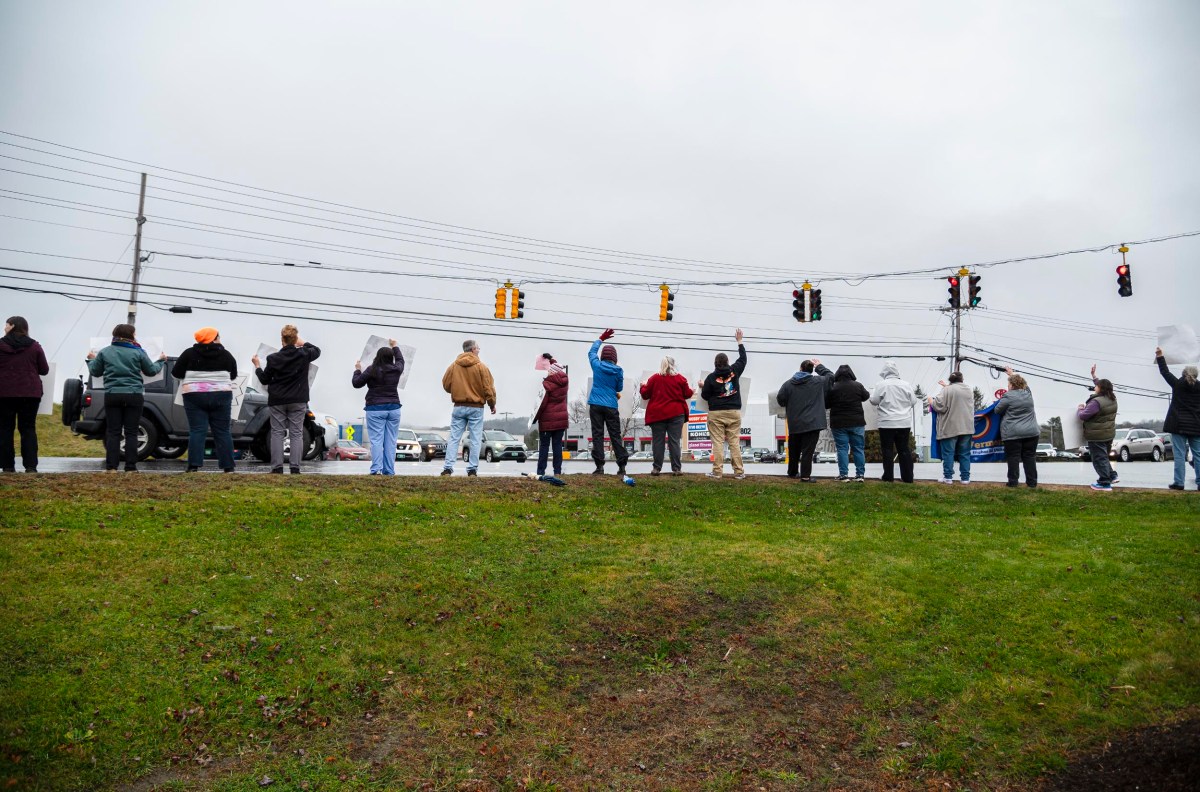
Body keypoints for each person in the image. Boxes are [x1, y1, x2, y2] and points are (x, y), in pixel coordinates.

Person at [86, 323, 166, 472]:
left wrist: (91, 359)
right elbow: (151, 371)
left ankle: (111, 467)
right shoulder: (139, 352)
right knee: (131, 431)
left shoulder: (105, 352)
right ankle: (131, 467)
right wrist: (161, 360)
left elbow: (95, 372)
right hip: (134, 395)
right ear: (131, 335)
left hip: (112, 394)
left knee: (113, 431)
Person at [252, 324, 320, 474]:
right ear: (295, 339)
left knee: (277, 432)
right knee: (296, 433)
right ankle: (295, 467)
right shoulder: (303, 354)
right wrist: (303, 343)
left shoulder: (273, 358)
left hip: (278, 400)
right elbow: (317, 351)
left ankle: (277, 467)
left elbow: (264, 379)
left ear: (282, 339)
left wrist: (257, 366)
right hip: (298, 399)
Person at [171, 327, 238, 473]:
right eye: (218, 337)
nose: (220, 339)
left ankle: (193, 465)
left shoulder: (189, 353)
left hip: (194, 396)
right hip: (221, 395)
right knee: (222, 431)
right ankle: (228, 466)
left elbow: (176, 373)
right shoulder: (226, 355)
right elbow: (233, 375)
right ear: (213, 338)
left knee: (197, 430)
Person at [0, 316, 50, 473]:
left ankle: (7, 466)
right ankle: (30, 467)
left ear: (13, 326)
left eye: (6, 325)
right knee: (28, 428)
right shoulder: (34, 346)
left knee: (5, 429)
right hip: (30, 393)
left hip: (4, 393)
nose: (4, 328)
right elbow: (44, 369)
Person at [441, 339, 496, 476]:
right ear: (472, 350)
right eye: (478, 348)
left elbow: (446, 384)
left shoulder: (454, 366)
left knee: (454, 438)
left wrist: (457, 390)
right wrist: (492, 404)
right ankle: (472, 469)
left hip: (458, 406)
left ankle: (448, 467)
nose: (479, 350)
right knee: (476, 439)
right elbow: (488, 388)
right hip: (476, 407)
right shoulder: (481, 367)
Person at [699, 329, 748, 479]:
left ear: (715, 364)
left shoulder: (710, 378)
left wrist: (702, 386)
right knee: (734, 442)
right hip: (733, 412)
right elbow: (743, 359)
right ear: (727, 362)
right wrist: (739, 341)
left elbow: (705, 396)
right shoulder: (734, 371)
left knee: (718, 443)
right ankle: (739, 472)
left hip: (716, 414)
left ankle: (717, 472)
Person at [352, 339, 404, 476]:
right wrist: (395, 346)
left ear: (378, 357)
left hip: (375, 408)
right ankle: (389, 470)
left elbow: (356, 383)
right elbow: (401, 360)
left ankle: (376, 470)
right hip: (394, 408)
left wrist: (357, 370)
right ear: (390, 358)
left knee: (376, 441)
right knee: (390, 441)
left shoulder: (371, 370)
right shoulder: (396, 369)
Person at [776, 358, 833, 480]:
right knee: (808, 451)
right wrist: (819, 366)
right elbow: (831, 376)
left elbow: (780, 399)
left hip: (795, 422)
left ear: (800, 369)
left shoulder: (788, 384)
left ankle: (792, 473)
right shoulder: (819, 381)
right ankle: (805, 476)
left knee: (794, 450)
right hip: (813, 423)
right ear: (812, 371)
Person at [1154, 347, 1200, 491]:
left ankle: (1179, 483)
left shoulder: (1178, 385)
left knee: (1180, 455)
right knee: (1198, 455)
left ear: (1183, 374)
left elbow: (1165, 372)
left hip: (1178, 425)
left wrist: (1160, 356)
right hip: (1196, 426)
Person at [641, 355, 693, 476]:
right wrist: (693, 390)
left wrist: (643, 386)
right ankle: (676, 469)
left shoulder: (654, 378)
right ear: (673, 365)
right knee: (674, 441)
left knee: (658, 441)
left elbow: (645, 395)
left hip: (657, 415)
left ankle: (656, 468)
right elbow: (687, 393)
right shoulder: (680, 379)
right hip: (676, 414)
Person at [869, 361, 919, 483]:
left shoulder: (881, 384)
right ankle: (908, 477)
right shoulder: (906, 384)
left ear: (884, 372)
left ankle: (888, 476)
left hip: (886, 422)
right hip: (903, 422)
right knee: (904, 449)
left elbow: (874, 401)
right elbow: (913, 401)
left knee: (887, 449)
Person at [587, 329, 628, 476]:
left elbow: (591, 353)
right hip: (611, 405)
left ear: (603, 356)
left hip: (596, 404)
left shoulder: (597, 366)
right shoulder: (618, 371)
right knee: (615, 435)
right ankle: (622, 466)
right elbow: (619, 388)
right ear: (615, 358)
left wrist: (600, 339)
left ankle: (599, 467)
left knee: (597, 435)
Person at [994, 367, 1039, 488]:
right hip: (1032, 432)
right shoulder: (1028, 393)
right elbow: (1023, 383)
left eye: (1008, 383)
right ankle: (1032, 482)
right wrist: (1011, 374)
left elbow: (997, 410)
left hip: (1012, 433)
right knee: (1029, 457)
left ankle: (1013, 482)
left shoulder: (1008, 396)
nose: (1007, 386)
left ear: (1012, 385)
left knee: (1013, 457)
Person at [928, 372, 975, 484]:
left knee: (948, 453)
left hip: (950, 427)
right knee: (964, 453)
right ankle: (965, 478)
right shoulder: (969, 390)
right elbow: (957, 394)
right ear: (962, 379)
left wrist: (931, 401)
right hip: (966, 427)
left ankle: (948, 477)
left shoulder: (946, 390)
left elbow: (940, 406)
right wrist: (946, 387)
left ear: (950, 380)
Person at [1077, 364, 1118, 491]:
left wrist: (1080, 409)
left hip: (1097, 435)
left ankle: (1104, 482)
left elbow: (1083, 416)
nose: (1095, 387)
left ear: (1100, 389)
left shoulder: (1096, 402)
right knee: (1104, 456)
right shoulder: (1112, 399)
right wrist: (1094, 376)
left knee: (1099, 458)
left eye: (1097, 386)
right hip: (1108, 434)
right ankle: (1112, 475)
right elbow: (1103, 385)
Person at [826, 364, 869, 482]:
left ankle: (843, 475)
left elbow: (827, 404)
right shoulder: (858, 386)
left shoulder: (833, 387)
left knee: (842, 449)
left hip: (838, 423)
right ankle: (860, 475)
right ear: (851, 373)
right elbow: (866, 396)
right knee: (858, 449)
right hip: (857, 422)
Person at [532, 353, 569, 483]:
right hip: (561, 418)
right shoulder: (564, 381)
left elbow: (541, 404)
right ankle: (557, 471)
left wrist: (535, 418)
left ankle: (540, 471)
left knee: (544, 446)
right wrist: (551, 359)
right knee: (557, 446)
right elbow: (555, 368)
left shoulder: (547, 384)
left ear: (551, 372)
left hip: (547, 420)